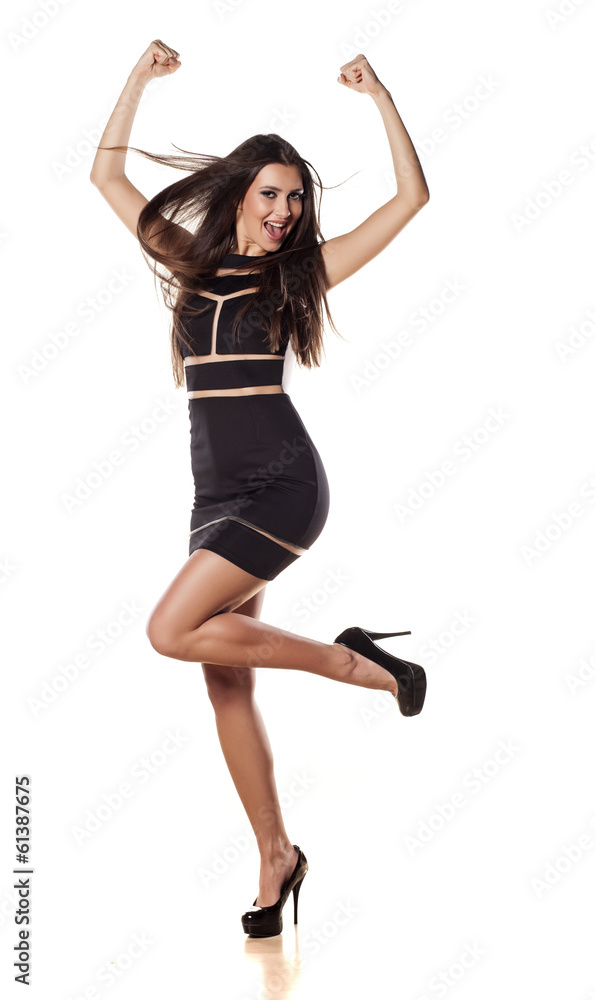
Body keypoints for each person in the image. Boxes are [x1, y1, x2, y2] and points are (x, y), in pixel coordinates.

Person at [90, 39, 430, 938]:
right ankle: (276, 856)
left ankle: (357, 663)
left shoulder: (295, 276)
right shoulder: (190, 264)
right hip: (212, 495)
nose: (285, 212)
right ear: (241, 193)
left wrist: (380, 95)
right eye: (272, 194)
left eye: (296, 198)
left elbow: (411, 200)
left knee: (172, 631)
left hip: (281, 484)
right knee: (224, 679)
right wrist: (138, 80)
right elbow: (106, 174)